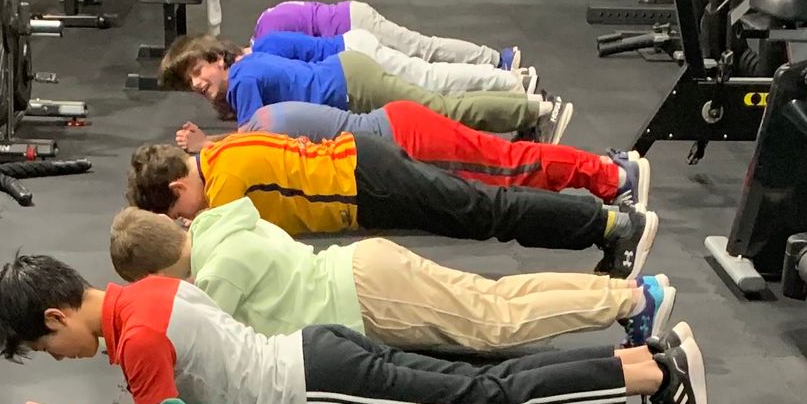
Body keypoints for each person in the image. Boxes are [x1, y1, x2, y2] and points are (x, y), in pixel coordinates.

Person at [0, 253, 701, 404]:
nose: (60, 357)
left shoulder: (139, 340)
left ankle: (658, 375)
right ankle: (642, 366)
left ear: (56, 316)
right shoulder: (145, 294)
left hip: (316, 392)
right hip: (316, 358)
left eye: (47, 346)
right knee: (480, 385)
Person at [106, 198, 679, 358]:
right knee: (496, 297)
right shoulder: (218, 222)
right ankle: (627, 294)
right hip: (364, 266)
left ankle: (631, 303)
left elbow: (207, 341)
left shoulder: (215, 277)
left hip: (368, 298)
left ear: (152, 274)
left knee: (495, 323)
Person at [126, 138, 657, 282]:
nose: (185, 222)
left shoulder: (224, 187)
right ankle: (605, 226)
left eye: (178, 213)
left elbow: (225, 251)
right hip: (366, 172)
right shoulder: (216, 153)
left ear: (178, 186)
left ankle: (612, 224)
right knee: (483, 211)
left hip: (369, 183)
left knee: (486, 210)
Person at [176, 100, 645, 208]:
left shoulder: (249, 144)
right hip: (398, 128)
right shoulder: (253, 128)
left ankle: (612, 177)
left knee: (510, 166)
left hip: (406, 139)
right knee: (505, 163)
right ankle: (605, 172)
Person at [162, 29, 555, 140]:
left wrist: (205, 145)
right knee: (434, 96)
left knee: (439, 108)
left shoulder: (242, 80)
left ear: (218, 59)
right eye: (188, 81)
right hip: (350, 75)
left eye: (198, 70)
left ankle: (534, 109)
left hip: (354, 84)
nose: (196, 83)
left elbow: (249, 141)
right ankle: (517, 97)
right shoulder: (247, 66)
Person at [228, 15, 524, 100]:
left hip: (354, 54)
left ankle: (505, 78)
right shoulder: (264, 43)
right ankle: (501, 76)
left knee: (429, 78)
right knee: (427, 74)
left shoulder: (262, 54)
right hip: (351, 48)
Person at [252, 0, 525, 77]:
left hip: (352, 26)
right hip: (350, 18)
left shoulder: (267, 42)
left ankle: (497, 60)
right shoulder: (264, 25)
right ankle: (493, 65)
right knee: (420, 58)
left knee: (422, 51)